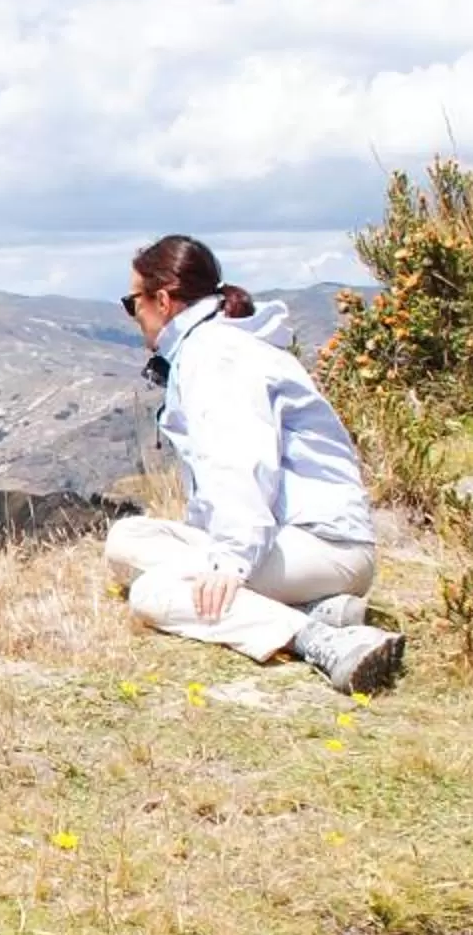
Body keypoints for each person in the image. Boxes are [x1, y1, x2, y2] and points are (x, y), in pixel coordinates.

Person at [105, 236, 405, 693]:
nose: (133, 316)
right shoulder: (217, 345)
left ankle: (322, 640)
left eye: (133, 302)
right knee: (126, 540)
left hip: (319, 543)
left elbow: (242, 461)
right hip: (301, 541)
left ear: (162, 300)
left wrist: (230, 562)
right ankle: (317, 609)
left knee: (152, 593)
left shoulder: (215, 354)